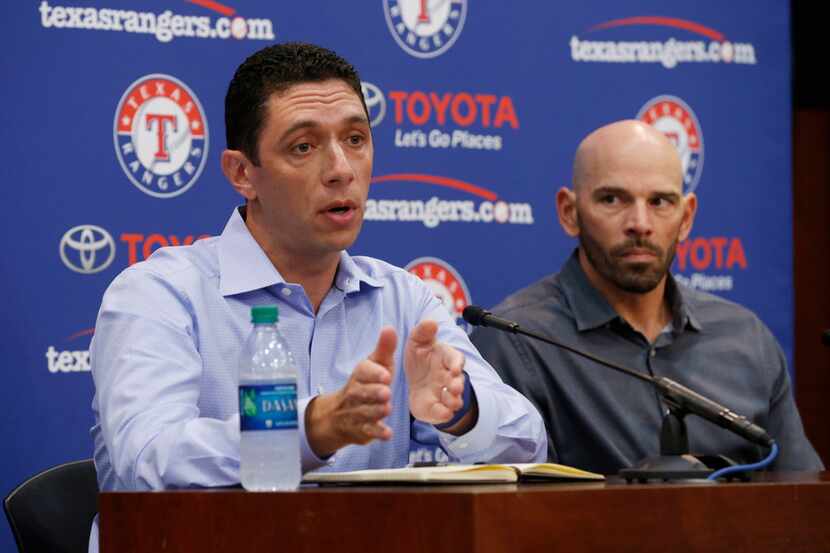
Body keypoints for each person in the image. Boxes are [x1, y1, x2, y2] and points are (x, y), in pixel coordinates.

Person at [88, 42, 546, 550]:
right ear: (243, 174)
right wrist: (311, 427)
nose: (341, 169)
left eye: (355, 139)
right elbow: (149, 463)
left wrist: (462, 414)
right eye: (303, 147)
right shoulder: (161, 294)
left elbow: (528, 447)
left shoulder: (403, 300)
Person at [471, 120, 823, 474]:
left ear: (686, 218)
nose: (640, 223)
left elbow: (801, 494)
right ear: (569, 212)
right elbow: (511, 514)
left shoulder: (745, 338)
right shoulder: (517, 341)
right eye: (612, 199)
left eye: (660, 201)